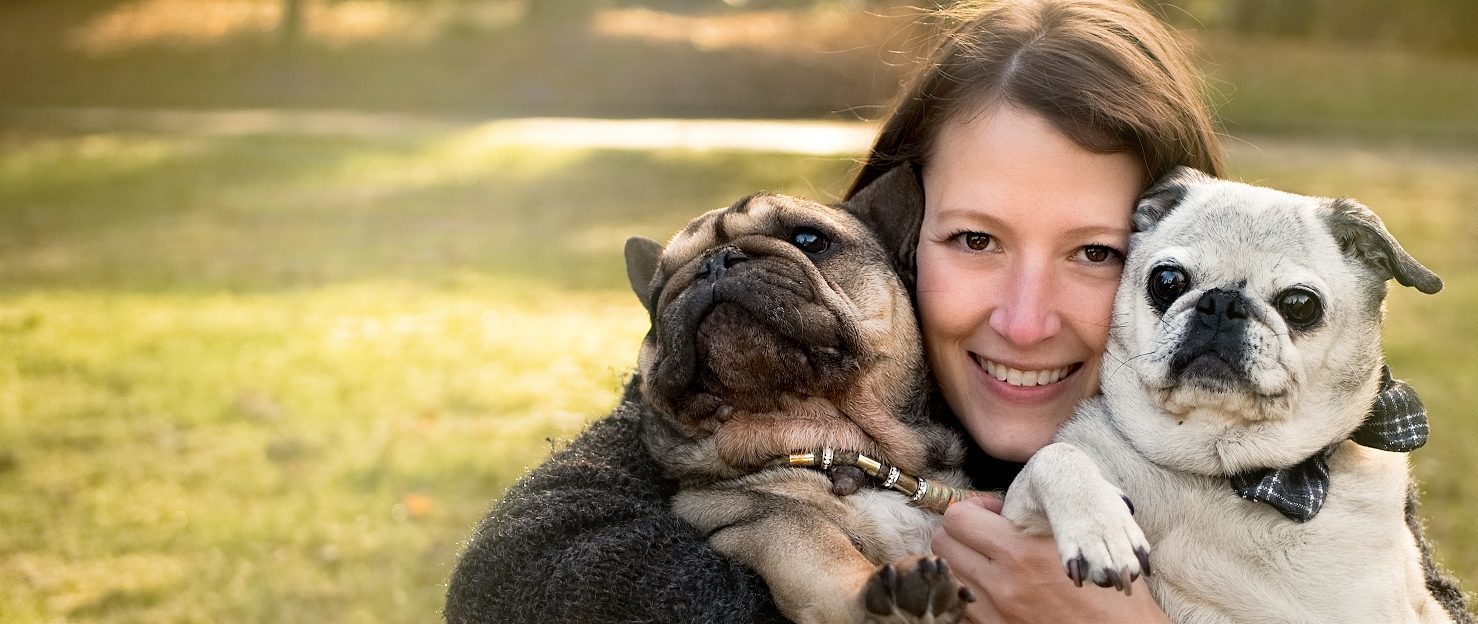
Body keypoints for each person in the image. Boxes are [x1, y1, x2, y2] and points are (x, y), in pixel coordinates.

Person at [445, 1, 1468, 622]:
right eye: (973, 241)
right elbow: (513, 579)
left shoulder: (1260, 438)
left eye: (1096, 254)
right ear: (897, 236)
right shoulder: (803, 390)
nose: (1022, 322)